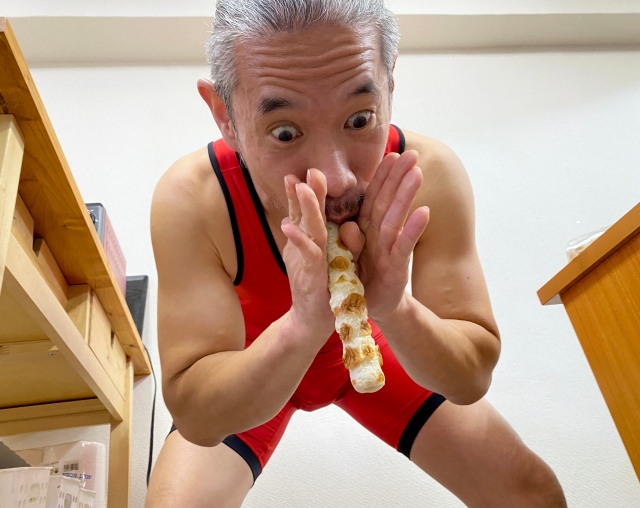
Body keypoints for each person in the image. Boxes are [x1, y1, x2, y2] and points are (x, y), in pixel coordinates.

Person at [146, 1, 567, 506]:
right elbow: (197, 416)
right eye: (285, 132)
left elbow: (471, 378)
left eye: (359, 119)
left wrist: (396, 307)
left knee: (530, 493)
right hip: (250, 364)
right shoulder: (192, 199)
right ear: (225, 117)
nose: (337, 178)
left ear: (390, 85)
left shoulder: (428, 175)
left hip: (385, 345)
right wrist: (302, 325)